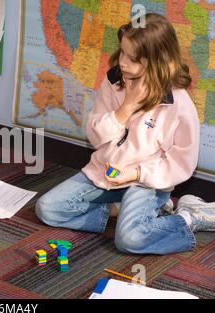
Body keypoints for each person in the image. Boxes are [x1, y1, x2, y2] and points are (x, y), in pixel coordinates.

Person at [36, 13, 213, 255]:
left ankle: (189, 217)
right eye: (122, 52)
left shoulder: (179, 104)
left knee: (129, 239)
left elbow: (182, 163)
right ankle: (120, 210)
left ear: (158, 61)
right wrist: (125, 108)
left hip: (146, 183)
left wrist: (137, 172)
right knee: (47, 209)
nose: (123, 63)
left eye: (133, 58)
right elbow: (95, 137)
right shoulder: (113, 82)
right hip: (106, 173)